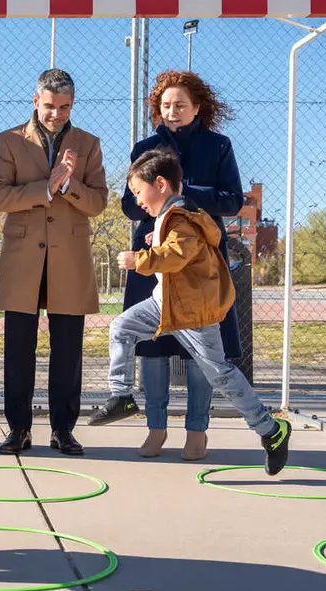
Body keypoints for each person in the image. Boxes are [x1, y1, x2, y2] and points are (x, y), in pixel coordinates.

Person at [89, 70, 244, 463]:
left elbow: (232, 200)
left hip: (200, 261)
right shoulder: (147, 146)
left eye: (180, 105)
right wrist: (151, 201)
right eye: (165, 105)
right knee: (152, 346)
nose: (172, 112)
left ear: (197, 108)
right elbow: (128, 204)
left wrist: (181, 192)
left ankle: (197, 431)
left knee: (201, 351)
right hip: (153, 254)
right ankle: (155, 428)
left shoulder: (218, 145)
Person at [111, 147, 290, 475]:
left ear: (161, 185)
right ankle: (120, 395)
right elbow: (174, 248)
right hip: (164, 302)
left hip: (193, 311)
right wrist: (156, 241)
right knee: (121, 327)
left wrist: (138, 259)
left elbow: (176, 255)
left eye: (138, 191)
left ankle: (271, 430)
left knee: (219, 374)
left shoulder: (181, 217)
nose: (136, 200)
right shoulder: (170, 216)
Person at [0, 69, 108, 456]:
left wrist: (70, 186)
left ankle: (63, 430)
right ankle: (18, 428)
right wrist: (46, 188)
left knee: (68, 350)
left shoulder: (88, 144)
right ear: (35, 100)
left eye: (65, 106)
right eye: (50, 106)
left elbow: (99, 202)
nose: (57, 114)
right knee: (18, 348)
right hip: (24, 259)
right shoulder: (8, 141)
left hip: (69, 259)